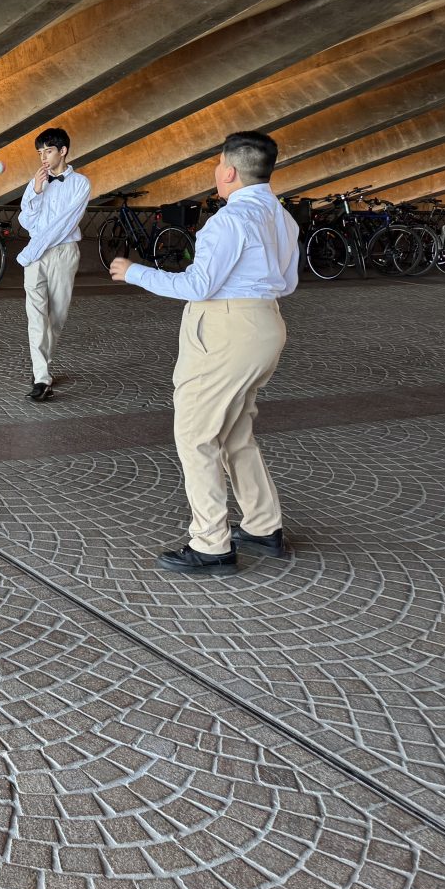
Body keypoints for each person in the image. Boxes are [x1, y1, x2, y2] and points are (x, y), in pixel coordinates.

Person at [109, 131, 298, 574]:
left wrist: (135, 272)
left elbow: (198, 285)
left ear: (229, 171)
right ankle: (262, 526)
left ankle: (211, 544)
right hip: (266, 323)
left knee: (196, 435)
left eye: (217, 164)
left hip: (227, 330)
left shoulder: (229, 220)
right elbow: (288, 282)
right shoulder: (282, 217)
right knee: (235, 432)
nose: (216, 171)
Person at [16, 127, 91, 401]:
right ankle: (41, 377)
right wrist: (36, 192)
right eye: (40, 152)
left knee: (56, 318)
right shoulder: (36, 182)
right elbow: (25, 221)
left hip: (62, 253)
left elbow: (65, 224)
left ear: (63, 151)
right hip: (35, 255)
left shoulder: (81, 184)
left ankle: (42, 366)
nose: (43, 157)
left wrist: (35, 246)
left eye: (48, 151)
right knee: (36, 316)